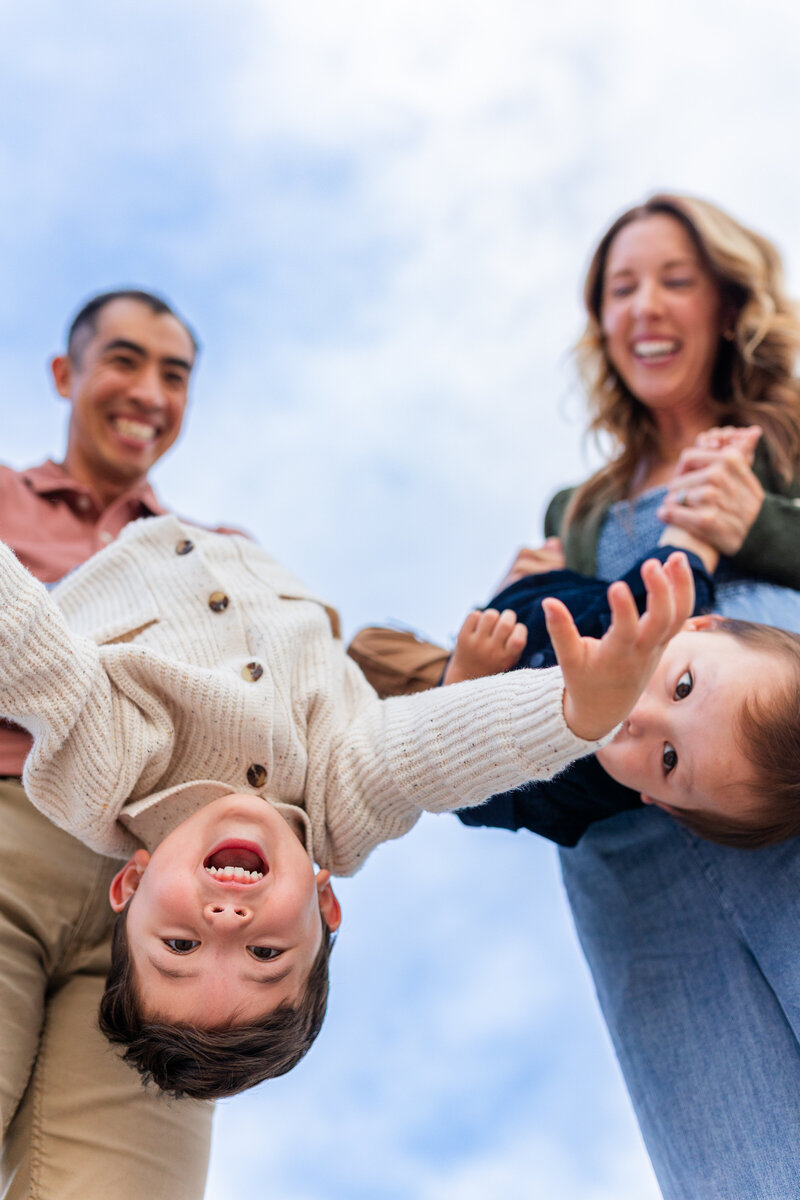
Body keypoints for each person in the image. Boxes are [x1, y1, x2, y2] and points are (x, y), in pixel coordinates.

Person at [0, 511, 693, 1101]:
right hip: (264, 577)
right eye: (265, 952)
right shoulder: (340, 808)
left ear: (131, 882)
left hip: (127, 573)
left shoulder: (109, 772)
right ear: (325, 904)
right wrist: (575, 712)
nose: (225, 919)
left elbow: (35, 662)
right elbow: (422, 755)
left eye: (180, 946)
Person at [539, 194, 800, 1200]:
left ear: (728, 302)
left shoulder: (784, 430)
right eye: (620, 288)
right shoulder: (579, 514)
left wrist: (763, 528)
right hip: (634, 840)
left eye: (674, 279)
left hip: (781, 776)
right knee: (731, 1159)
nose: (644, 306)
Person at [0, 289, 214, 1200]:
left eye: (175, 374)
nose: (150, 391)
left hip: (158, 910)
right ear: (65, 374)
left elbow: (314, 690)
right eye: (125, 360)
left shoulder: (214, 558)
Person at [450, 431, 800, 848]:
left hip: (428, 680)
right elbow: (691, 535)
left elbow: (460, 790)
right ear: (697, 625)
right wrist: (720, 460)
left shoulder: (575, 788)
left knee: (370, 657)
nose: (639, 717)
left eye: (669, 759)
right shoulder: (654, 611)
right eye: (683, 687)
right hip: (522, 591)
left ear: (661, 803)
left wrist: (466, 677)